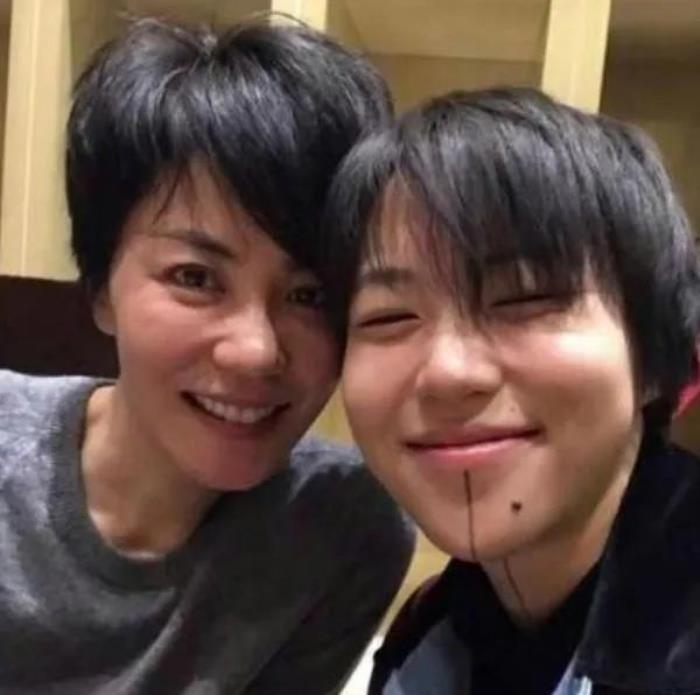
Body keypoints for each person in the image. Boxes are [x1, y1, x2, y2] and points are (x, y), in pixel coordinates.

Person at [0, 17, 414, 694]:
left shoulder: (340, 531)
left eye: (310, 294)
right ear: (101, 289)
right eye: (195, 277)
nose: (256, 351)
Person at [322, 87, 700, 694]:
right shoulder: (433, 628)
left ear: (660, 356)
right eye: (389, 317)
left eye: (525, 299)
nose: (448, 372)